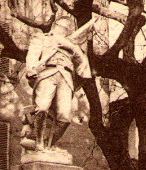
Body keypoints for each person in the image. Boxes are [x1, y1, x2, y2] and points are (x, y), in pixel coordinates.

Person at [24, 15, 94, 151]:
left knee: (65, 118)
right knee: (42, 108)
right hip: (48, 74)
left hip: (66, 78)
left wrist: (72, 48)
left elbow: (83, 64)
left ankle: (49, 144)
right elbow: (32, 55)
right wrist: (30, 68)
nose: (64, 29)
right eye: (62, 26)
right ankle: (38, 142)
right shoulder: (43, 38)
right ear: (55, 26)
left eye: (67, 28)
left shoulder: (72, 45)